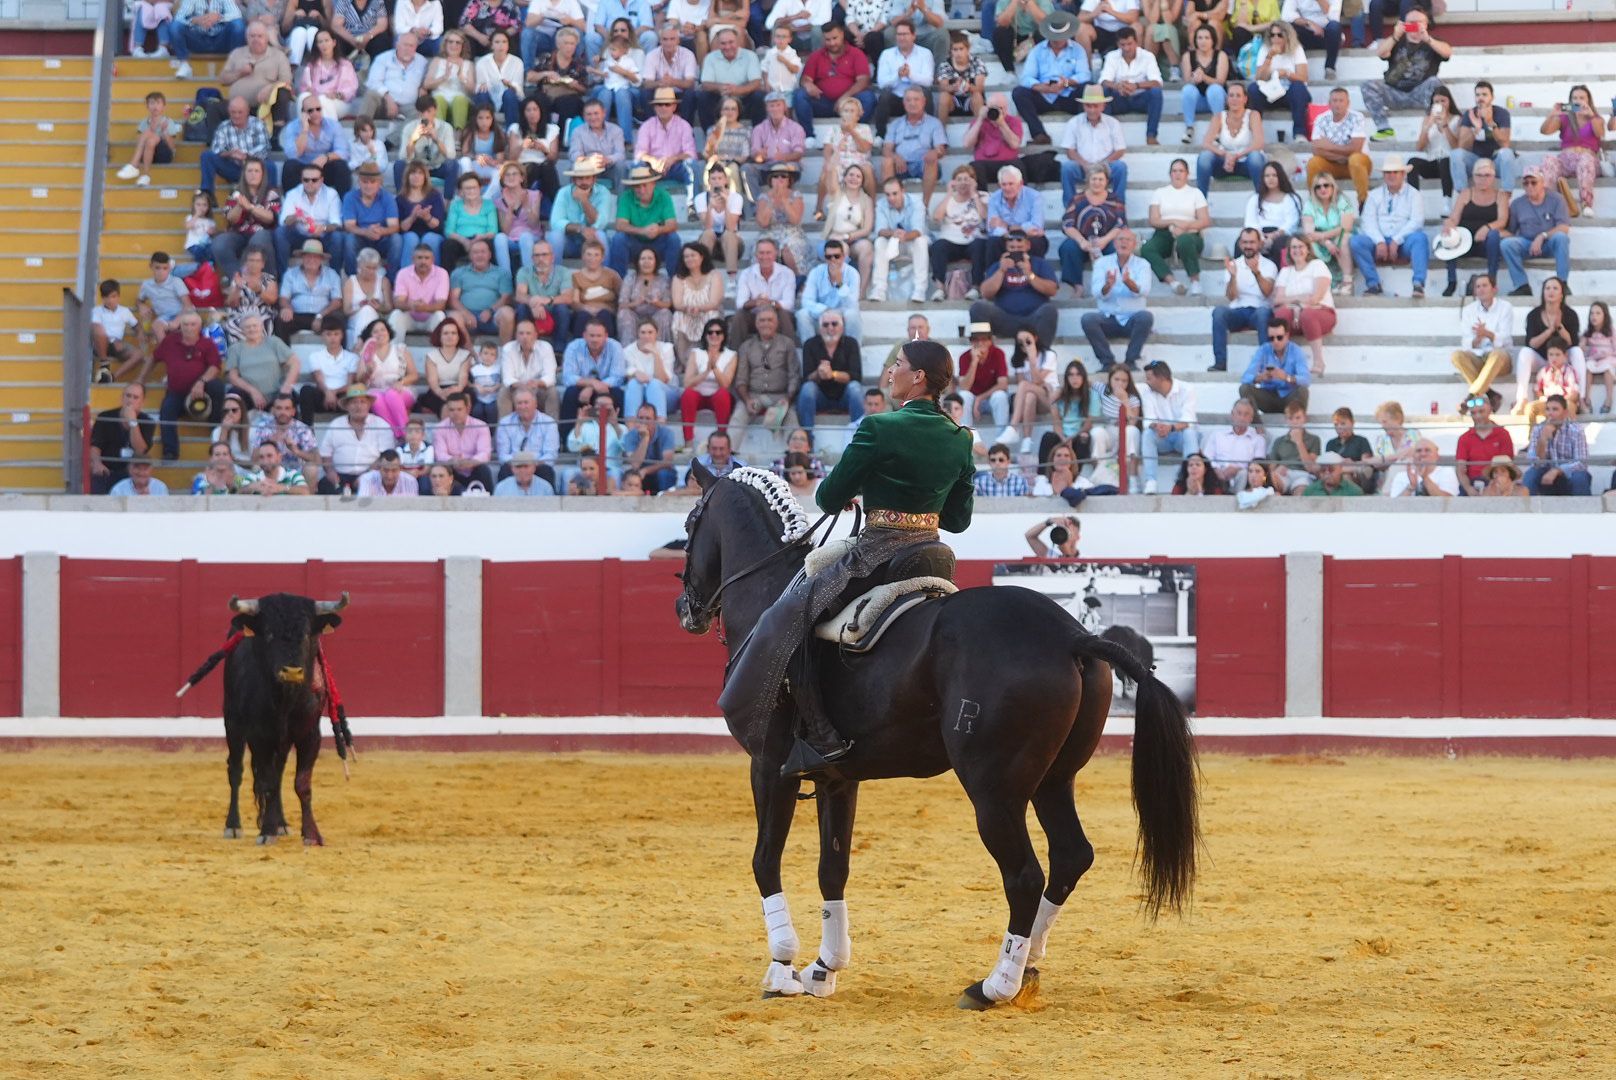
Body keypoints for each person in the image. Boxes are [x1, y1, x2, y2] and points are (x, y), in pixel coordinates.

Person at [719, 338, 974, 778]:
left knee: (792, 615)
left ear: (919, 378)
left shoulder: (880, 428)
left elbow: (828, 496)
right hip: (934, 556)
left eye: (899, 364)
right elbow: (958, 519)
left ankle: (822, 735)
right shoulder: (960, 438)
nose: (891, 371)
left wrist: (869, 491)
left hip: (879, 553)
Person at [1360, 11, 1449, 142]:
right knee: (1368, 85)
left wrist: (1427, 39)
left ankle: (1434, 126)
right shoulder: (1396, 40)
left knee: (1435, 83)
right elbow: (1381, 53)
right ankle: (1384, 128)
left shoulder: (1433, 41)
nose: (1414, 25)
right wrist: (1395, 35)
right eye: (1410, 23)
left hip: (1421, 93)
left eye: (1418, 22)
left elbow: (1447, 53)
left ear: (1426, 24)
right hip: (1394, 93)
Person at [970, 230, 1060, 355]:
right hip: (1005, 320)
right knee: (978, 308)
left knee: (1049, 310)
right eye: (1012, 247)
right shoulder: (998, 266)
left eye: (1019, 247)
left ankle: (1041, 357)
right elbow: (985, 293)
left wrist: (1029, 274)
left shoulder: (1040, 264)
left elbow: (1052, 290)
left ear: (1028, 246)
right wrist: (1001, 271)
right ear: (1007, 247)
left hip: (1033, 320)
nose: (1016, 251)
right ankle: (982, 354)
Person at [1350, 154, 1428, 299]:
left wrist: (1396, 240)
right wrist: (1379, 241)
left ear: (1403, 174)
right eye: (1388, 172)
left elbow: (1417, 221)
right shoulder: (1374, 195)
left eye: (1395, 172)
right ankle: (1373, 284)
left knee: (1420, 238)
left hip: (1404, 241)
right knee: (1356, 241)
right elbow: (1368, 221)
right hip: (1378, 240)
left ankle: (1418, 284)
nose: (1391, 175)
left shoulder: (1414, 195)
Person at [1080, 227, 1153, 370]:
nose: (1123, 243)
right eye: (1120, 239)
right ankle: (1107, 362)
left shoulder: (1143, 264)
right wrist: (1108, 285)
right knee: (1088, 319)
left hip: (1132, 319)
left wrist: (1129, 283)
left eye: (1128, 240)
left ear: (1134, 244)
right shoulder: (1102, 263)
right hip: (1109, 318)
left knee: (1146, 317)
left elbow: (1144, 290)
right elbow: (1096, 292)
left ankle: (1130, 362)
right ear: (1114, 243)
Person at [1010, 13, 1088, 144]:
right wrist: (1040, 87)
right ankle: (1039, 134)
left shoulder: (1077, 49)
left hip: (1068, 94)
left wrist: (1067, 82)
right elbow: (1026, 77)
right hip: (1043, 95)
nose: (1057, 41)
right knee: (1019, 92)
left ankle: (1082, 133)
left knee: (1088, 88)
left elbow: (1085, 75)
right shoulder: (1037, 50)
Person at [1436, 157, 1505, 297]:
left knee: (1494, 235)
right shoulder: (1466, 193)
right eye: (1479, 175)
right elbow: (1455, 217)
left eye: (1487, 175)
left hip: (1485, 243)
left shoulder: (1501, 196)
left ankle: (1492, 280)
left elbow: (1502, 220)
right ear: (1473, 177)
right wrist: (1449, 224)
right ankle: (1451, 281)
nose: (1483, 179)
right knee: (1449, 236)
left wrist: (1487, 227)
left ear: (1493, 177)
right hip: (1464, 241)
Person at [1512, 277, 1583, 415]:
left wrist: (1560, 328)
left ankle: (1582, 399)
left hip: (1563, 359)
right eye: (1547, 288)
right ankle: (1521, 399)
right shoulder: (1534, 315)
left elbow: (1572, 343)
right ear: (1543, 293)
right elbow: (1531, 343)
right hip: (1541, 359)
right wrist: (1549, 331)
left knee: (1577, 352)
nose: (1551, 291)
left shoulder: (1570, 314)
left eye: (1555, 288)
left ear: (1562, 294)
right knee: (1525, 353)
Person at [1209, 227, 1276, 372]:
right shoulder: (1234, 265)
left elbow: (1267, 292)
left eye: (1252, 242)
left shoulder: (1269, 265)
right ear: (1240, 244)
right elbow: (1231, 297)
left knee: (1264, 313)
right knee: (1218, 312)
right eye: (1245, 242)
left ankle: (1267, 364)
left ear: (1259, 244)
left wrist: (1256, 272)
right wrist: (1233, 276)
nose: (1248, 246)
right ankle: (1220, 363)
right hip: (1238, 311)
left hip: (1259, 311)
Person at [1140, 158, 1210, 295]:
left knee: (1185, 240)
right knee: (1147, 249)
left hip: (1190, 234)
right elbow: (1153, 220)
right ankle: (1173, 282)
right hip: (1164, 233)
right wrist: (1173, 221)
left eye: (1181, 171)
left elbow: (1205, 220)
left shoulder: (1196, 193)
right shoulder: (1159, 193)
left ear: (1187, 174)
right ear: (1170, 174)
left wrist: (1185, 226)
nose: (1177, 174)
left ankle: (1195, 281)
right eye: (1174, 171)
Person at [793, 23, 877, 137]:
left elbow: (863, 81)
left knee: (869, 98)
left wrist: (845, 97)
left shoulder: (856, 53)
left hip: (849, 104)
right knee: (800, 95)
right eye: (828, 39)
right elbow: (805, 78)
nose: (832, 43)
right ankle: (809, 136)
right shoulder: (816, 56)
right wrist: (808, 84)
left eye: (835, 38)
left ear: (842, 35)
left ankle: (854, 134)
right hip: (823, 102)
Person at [1500, 167, 1572, 297]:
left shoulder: (1557, 199)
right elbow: (1511, 230)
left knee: (1561, 238)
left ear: (1542, 182)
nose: (1529, 186)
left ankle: (1562, 283)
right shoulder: (1517, 204)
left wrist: (1542, 236)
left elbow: (1564, 227)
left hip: (1549, 243)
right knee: (1506, 244)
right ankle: (1522, 285)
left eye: (1533, 182)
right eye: (1525, 183)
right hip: (1527, 244)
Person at [1057, 167, 1125, 298]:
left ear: (1106, 181)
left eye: (1101, 179)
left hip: (1106, 241)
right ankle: (1077, 286)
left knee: (1118, 248)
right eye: (1094, 179)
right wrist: (1082, 241)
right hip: (1083, 242)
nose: (1097, 182)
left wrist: (1104, 240)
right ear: (1088, 180)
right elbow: (1067, 224)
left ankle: (1110, 286)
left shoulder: (1115, 200)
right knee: (1068, 248)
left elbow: (1121, 224)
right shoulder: (1077, 199)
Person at [1273, 235, 1335, 376]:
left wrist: (1293, 303)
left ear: (1308, 249)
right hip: (1294, 317)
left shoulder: (1317, 265)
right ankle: (1281, 364)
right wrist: (1300, 300)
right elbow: (1277, 300)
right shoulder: (1285, 271)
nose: (1297, 250)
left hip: (1321, 314)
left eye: (1301, 246)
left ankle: (1319, 361)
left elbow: (1315, 299)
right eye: (1293, 247)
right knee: (1280, 316)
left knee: (1307, 315)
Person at [1058, 85, 1128, 209]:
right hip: (1082, 167)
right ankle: (1070, 209)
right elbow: (1070, 151)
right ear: (1084, 106)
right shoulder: (1074, 122)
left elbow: (1120, 150)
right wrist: (1085, 164)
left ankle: (1118, 208)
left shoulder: (1112, 123)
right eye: (1088, 106)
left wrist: (1103, 165)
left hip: (1106, 166)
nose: (1092, 110)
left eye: (1095, 106)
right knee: (1067, 168)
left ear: (1103, 106)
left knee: (1120, 167)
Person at [732, 306, 799, 435]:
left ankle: (795, 454)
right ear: (756, 324)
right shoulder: (746, 346)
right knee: (738, 417)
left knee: (792, 421)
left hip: (780, 396)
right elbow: (741, 379)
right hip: (753, 396)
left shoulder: (787, 344)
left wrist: (788, 399)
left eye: (769, 320)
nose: (766, 324)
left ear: (776, 323)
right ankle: (728, 453)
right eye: (762, 320)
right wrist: (747, 400)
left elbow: (794, 376)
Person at [797, 309, 865, 433]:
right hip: (820, 397)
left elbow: (856, 376)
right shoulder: (810, 344)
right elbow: (806, 378)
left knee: (855, 388)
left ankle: (859, 438)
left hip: (844, 396)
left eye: (834, 324)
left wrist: (833, 374)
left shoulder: (851, 343)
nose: (830, 328)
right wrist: (818, 373)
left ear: (842, 326)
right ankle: (807, 439)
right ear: (819, 328)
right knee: (807, 388)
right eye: (825, 324)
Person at [609, 165, 683, 278]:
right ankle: (618, 282)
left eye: (645, 185)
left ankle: (676, 280)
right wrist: (642, 231)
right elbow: (620, 225)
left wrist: (659, 230)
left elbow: (672, 224)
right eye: (637, 186)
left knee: (673, 239)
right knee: (618, 239)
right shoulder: (626, 197)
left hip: (657, 241)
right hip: (635, 242)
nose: (641, 190)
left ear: (653, 184)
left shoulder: (664, 196)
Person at [559, 317, 627, 440]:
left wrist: (592, 387)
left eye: (599, 336)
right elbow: (568, 377)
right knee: (570, 393)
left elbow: (618, 377)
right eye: (591, 335)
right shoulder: (574, 347)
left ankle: (620, 438)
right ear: (584, 335)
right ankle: (566, 439)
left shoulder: (615, 346)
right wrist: (592, 383)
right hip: (582, 390)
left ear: (606, 336)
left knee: (619, 393)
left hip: (606, 389)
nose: (595, 339)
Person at [213, 157, 280, 280]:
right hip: (238, 234)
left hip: (262, 234)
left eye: (256, 171)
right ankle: (240, 280)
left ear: (262, 174)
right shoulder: (236, 193)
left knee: (259, 239)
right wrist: (239, 205)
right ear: (244, 174)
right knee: (219, 243)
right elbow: (231, 219)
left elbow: (271, 218)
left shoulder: (271, 192)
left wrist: (250, 207)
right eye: (249, 171)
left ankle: (268, 282)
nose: (253, 174)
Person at [928, 165, 990, 299]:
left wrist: (975, 196)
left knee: (980, 245)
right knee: (938, 246)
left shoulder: (983, 197)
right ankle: (940, 288)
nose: (963, 182)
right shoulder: (948, 200)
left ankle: (975, 288)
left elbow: (985, 216)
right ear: (954, 182)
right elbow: (937, 218)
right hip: (951, 241)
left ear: (973, 181)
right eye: (959, 179)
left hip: (974, 240)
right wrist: (949, 194)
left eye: (966, 179)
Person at [277, 162, 348, 276]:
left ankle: (335, 276)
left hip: (323, 237)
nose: (310, 183)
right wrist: (296, 217)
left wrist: (323, 228)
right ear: (301, 180)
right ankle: (282, 276)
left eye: (314, 180)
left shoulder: (331, 194)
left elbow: (337, 224)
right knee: (280, 233)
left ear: (321, 180)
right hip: (300, 236)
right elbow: (283, 221)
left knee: (338, 237)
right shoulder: (293, 194)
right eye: (306, 180)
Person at [1138, 359, 1197, 494]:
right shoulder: (1147, 392)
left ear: (1162, 378)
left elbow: (1189, 420)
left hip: (1181, 436)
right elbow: (1148, 420)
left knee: (1190, 432)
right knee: (1147, 434)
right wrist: (1157, 426)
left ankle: (1189, 480)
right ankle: (1151, 481)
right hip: (1161, 436)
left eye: (1149, 378)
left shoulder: (1187, 389)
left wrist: (1170, 428)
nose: (1146, 382)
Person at [1450, 273, 1514, 397]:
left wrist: (1488, 334)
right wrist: (1477, 339)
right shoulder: (1469, 310)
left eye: (1484, 285)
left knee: (1498, 354)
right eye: (1478, 287)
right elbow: (1466, 342)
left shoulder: (1505, 307)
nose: (1481, 289)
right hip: (1478, 356)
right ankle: (1489, 394)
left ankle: (1472, 395)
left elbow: (1505, 338)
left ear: (1494, 289)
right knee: (1456, 356)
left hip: (1500, 360)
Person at [1195, 81, 1264, 195]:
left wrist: (1237, 156)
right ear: (1227, 99)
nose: (1234, 99)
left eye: (1238, 95)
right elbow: (1206, 143)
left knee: (1256, 157)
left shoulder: (1253, 115)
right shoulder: (1218, 117)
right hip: (1224, 163)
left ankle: (1262, 202)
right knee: (1204, 157)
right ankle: (1200, 203)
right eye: (1231, 95)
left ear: (1245, 99)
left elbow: (1259, 143)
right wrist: (1225, 155)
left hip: (1246, 163)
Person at [1304, 86, 1370, 206]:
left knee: (1355, 159)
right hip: (1333, 165)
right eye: (1334, 101)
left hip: (1357, 166)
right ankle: (1313, 204)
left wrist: (1329, 146)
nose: (1338, 104)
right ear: (1329, 103)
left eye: (1341, 100)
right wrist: (1340, 156)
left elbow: (1356, 148)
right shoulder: (1321, 119)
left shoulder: (1357, 117)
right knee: (1313, 163)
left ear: (1348, 103)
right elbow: (1316, 150)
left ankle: (1363, 202)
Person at [881, 88, 947, 206]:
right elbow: (886, 149)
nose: (912, 103)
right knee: (887, 161)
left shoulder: (934, 123)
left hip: (923, 164)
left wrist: (935, 152)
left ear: (924, 102)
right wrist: (895, 157)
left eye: (916, 99)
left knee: (931, 159)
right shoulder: (895, 124)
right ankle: (890, 204)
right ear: (904, 103)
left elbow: (941, 148)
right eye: (908, 100)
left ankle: (924, 205)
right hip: (901, 166)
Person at [868, 176, 929, 304]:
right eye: (887, 194)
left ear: (903, 190)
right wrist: (894, 233)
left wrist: (905, 236)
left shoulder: (916, 202)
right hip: (893, 243)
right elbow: (880, 230)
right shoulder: (881, 204)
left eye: (895, 193)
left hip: (912, 243)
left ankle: (920, 289)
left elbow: (918, 230)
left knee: (921, 241)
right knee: (879, 242)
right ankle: (879, 289)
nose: (891, 198)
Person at [1247, 21, 1309, 143]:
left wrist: (1287, 74)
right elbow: (1259, 78)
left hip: (1290, 94)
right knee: (1253, 89)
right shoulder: (1265, 49)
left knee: (1298, 87)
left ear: (1287, 36)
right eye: (1272, 35)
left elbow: (1303, 77)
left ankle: (1299, 134)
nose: (1275, 38)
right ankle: (1255, 134)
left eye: (1279, 35)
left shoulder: (1296, 49)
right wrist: (1269, 57)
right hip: (1270, 92)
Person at [89, 383, 157, 494]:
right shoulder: (105, 417)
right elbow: (95, 445)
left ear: (142, 402)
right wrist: (97, 463)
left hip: (132, 473)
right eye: (128, 396)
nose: (130, 400)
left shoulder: (147, 421)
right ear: (122, 397)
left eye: (135, 397)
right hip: (107, 469)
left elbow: (140, 450)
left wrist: (133, 422)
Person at [280, 96, 352, 198]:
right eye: (310, 111)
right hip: (303, 168)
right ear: (303, 113)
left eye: (318, 109)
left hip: (325, 167)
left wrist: (326, 157)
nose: (315, 113)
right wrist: (305, 129)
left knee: (341, 166)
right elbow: (293, 154)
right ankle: (290, 205)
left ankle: (344, 205)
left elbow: (343, 152)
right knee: (289, 166)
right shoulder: (293, 127)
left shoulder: (333, 125)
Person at [1100, 27, 1163, 145]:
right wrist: (1118, 86)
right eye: (1122, 45)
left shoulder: (1148, 56)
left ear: (1136, 42)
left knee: (1156, 92)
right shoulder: (1112, 56)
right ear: (1118, 44)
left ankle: (1151, 135)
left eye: (1129, 44)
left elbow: (1157, 82)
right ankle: (1105, 135)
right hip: (1120, 98)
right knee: (1104, 91)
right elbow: (1104, 81)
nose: (1126, 48)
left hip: (1140, 98)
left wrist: (1136, 86)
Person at [1453, 80, 1517, 191]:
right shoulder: (1469, 115)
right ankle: (1462, 196)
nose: (1480, 98)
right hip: (1475, 161)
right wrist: (1475, 129)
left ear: (1492, 97)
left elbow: (1505, 143)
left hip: (1495, 161)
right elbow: (1462, 146)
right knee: (1456, 154)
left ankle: (1507, 195)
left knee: (1507, 153)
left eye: (1484, 94)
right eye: (1477, 95)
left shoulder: (1502, 113)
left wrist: (1490, 122)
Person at [200, 96, 272, 195]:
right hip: (233, 168)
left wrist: (246, 156)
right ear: (229, 112)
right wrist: (230, 154)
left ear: (247, 111)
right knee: (207, 156)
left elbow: (265, 148)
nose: (236, 116)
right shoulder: (223, 126)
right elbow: (216, 149)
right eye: (233, 112)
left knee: (270, 166)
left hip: (254, 168)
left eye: (240, 112)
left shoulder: (258, 124)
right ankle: (207, 194)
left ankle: (270, 198)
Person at [547, 158, 616, 262]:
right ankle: (555, 275)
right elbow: (556, 223)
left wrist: (584, 200)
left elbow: (601, 222)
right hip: (569, 242)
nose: (584, 182)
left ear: (594, 179)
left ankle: (604, 276)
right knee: (555, 236)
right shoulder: (564, 192)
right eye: (580, 178)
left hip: (592, 241)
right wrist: (581, 228)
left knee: (600, 235)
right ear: (574, 180)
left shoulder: (603, 192)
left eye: (587, 178)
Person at [449, 237, 516, 343]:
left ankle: (506, 354)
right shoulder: (459, 273)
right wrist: (466, 313)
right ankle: (468, 353)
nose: (479, 255)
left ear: (489, 255)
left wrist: (491, 310)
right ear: (470, 256)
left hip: (493, 316)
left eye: (483, 252)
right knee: (454, 317)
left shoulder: (502, 273)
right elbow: (454, 299)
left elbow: (506, 298)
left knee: (507, 313)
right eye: (475, 252)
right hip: (468, 315)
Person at [731, 237, 797, 344]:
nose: (765, 256)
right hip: (755, 316)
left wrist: (770, 303)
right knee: (739, 315)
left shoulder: (787, 273)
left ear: (775, 253)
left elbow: (789, 304)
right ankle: (734, 355)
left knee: (784, 314)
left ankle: (790, 357)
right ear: (756, 255)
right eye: (761, 253)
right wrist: (756, 302)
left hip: (778, 317)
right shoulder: (747, 274)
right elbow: (740, 303)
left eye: (768, 253)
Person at [276, 238, 343, 342]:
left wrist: (320, 316)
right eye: (308, 256)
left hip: (323, 315)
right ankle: (285, 357)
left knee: (339, 324)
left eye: (315, 257)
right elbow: (283, 298)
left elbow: (337, 301)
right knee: (280, 321)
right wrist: (287, 308)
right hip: (297, 314)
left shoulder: (332, 274)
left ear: (321, 259)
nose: (311, 260)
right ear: (302, 257)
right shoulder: (290, 273)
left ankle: (339, 357)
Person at [1239, 314, 1309, 413]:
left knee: (1302, 391)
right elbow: (1245, 378)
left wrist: (1286, 377)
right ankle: (1258, 427)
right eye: (1271, 338)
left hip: (1289, 397)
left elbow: (1306, 380)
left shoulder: (1296, 351)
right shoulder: (1263, 350)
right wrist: (1260, 378)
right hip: (1267, 397)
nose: (1275, 341)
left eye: (1279, 337)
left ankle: (1296, 427)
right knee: (1244, 389)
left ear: (1287, 335)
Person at [1300, 171, 1356, 296]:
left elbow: (1346, 227)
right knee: (1308, 242)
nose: (1323, 189)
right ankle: (1320, 282)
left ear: (1333, 186)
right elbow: (1309, 232)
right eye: (1318, 187)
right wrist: (1325, 242)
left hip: (1340, 234)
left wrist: (1323, 236)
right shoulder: (1310, 204)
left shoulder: (1343, 200)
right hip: (1320, 240)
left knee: (1343, 239)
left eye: (1326, 185)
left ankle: (1347, 281)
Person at [695, 27, 764, 128]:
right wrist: (721, 87)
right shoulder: (711, 57)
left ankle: (758, 133)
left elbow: (756, 82)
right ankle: (709, 135)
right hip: (720, 98)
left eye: (731, 42)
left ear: (738, 42)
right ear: (718, 44)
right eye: (723, 43)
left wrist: (738, 90)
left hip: (744, 97)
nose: (727, 47)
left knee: (758, 96)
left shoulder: (750, 56)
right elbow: (705, 83)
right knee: (703, 97)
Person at [164, 0, 248, 81]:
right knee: (175, 26)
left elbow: (237, 15)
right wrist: (195, 20)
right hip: (198, 41)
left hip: (221, 40)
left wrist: (218, 17)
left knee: (238, 25)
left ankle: (234, 64)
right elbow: (179, 17)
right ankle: (184, 64)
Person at [798, 238, 864, 342]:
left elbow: (852, 304)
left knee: (852, 314)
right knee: (802, 314)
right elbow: (806, 301)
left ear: (843, 257)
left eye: (836, 256)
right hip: (822, 312)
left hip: (843, 313)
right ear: (824, 258)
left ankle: (854, 352)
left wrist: (840, 284)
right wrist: (824, 310)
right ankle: (809, 352)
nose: (833, 260)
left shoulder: (852, 273)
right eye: (829, 257)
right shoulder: (816, 272)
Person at [251, 390, 324, 481]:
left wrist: (296, 451)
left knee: (311, 468)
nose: (283, 412)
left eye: (287, 408)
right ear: (273, 410)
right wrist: (269, 443)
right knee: (256, 467)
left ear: (293, 411)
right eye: (279, 408)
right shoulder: (263, 427)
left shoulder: (302, 429)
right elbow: (253, 459)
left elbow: (317, 459)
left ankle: (305, 494)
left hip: (297, 473)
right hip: (269, 471)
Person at [297, 319, 358, 424]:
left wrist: (333, 393)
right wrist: (327, 393)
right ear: (322, 336)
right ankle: (308, 430)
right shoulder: (315, 356)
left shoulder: (352, 357)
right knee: (306, 390)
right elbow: (319, 380)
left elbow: (349, 384)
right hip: (322, 396)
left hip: (343, 398)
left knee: (356, 395)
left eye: (336, 334)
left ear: (342, 335)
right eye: (328, 334)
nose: (333, 338)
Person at [357, 33, 429, 122]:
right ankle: (360, 130)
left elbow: (426, 83)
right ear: (397, 45)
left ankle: (395, 136)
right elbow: (373, 82)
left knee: (422, 116)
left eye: (411, 46)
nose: (408, 49)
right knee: (371, 95)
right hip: (384, 103)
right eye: (405, 45)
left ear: (416, 47)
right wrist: (388, 99)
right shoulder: (383, 58)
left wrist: (423, 88)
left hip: (409, 105)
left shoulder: (422, 62)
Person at [117, 91, 182, 189]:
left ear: (163, 106)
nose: (155, 106)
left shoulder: (168, 122)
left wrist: (165, 133)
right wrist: (151, 132)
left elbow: (172, 147)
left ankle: (134, 165)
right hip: (147, 154)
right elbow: (140, 142)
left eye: (158, 103)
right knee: (150, 139)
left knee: (150, 135)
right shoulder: (144, 122)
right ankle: (145, 175)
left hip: (164, 155)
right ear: (147, 106)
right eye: (152, 103)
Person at [495, 387, 560, 485]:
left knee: (546, 471)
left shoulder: (549, 423)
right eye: (519, 403)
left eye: (526, 402)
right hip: (514, 465)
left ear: (535, 404)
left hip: (538, 465)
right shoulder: (505, 423)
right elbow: (503, 455)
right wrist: (519, 465)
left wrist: (532, 464)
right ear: (515, 406)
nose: (523, 406)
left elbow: (550, 455)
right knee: (504, 470)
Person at [1453, 391, 1513, 495]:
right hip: (1471, 483)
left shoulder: (1503, 434)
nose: (1478, 416)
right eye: (1473, 413)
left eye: (1481, 411)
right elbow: (1460, 469)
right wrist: (1469, 489)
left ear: (1490, 410)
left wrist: (1492, 487)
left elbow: (1506, 467)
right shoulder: (1464, 438)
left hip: (1496, 482)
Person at [1407, 83, 1459, 203]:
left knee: (1445, 160)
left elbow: (1457, 147)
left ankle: (1447, 202)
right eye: (1436, 101)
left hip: (1450, 164)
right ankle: (1414, 201)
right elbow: (1419, 147)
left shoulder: (1457, 119)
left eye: (1443, 101)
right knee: (1412, 163)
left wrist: (1445, 125)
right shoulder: (1427, 120)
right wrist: (1427, 126)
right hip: (1433, 163)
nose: (1440, 104)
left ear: (1449, 101)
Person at [955, 322, 1010, 436]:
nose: (980, 343)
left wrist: (980, 398)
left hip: (990, 399)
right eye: (976, 339)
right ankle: (967, 438)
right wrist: (974, 362)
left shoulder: (998, 353)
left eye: (984, 339)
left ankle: (1001, 440)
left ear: (990, 340)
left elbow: (1003, 384)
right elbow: (964, 387)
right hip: (972, 399)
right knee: (964, 396)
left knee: (1000, 396)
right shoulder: (964, 357)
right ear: (971, 341)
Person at [1178, 23, 1227, 146]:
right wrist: (1195, 79)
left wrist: (1204, 77)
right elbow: (1186, 80)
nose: (1203, 41)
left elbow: (1220, 81)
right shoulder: (1188, 56)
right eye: (1199, 38)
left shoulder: (1221, 55)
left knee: (1214, 89)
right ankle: (1189, 128)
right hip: (1198, 101)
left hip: (1217, 100)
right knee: (1188, 89)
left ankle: (1218, 130)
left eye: (1207, 38)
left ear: (1213, 40)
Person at [1245, 159, 1301, 265]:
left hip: (1281, 234)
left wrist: (1273, 236)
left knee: (1280, 243)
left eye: (1274, 175)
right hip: (1258, 233)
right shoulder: (1255, 199)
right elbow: (1250, 222)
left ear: (1280, 177)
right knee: (1243, 243)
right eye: (1267, 176)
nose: (1271, 178)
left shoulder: (1291, 198)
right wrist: (1260, 238)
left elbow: (1291, 222)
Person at [390, 242, 450, 340]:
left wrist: (425, 308)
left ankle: (437, 354)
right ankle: (394, 352)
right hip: (409, 316)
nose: (423, 261)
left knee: (440, 315)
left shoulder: (442, 273)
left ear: (433, 260)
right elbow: (398, 302)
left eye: (427, 258)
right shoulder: (403, 273)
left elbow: (441, 304)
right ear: (413, 259)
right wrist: (412, 306)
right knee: (396, 314)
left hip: (430, 317)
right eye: (419, 258)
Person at [1203, 398, 1266, 490]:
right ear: (1232, 414)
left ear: (1251, 418)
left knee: (1244, 474)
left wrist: (1237, 469)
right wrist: (1217, 470)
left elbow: (1258, 466)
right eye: (1239, 413)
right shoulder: (1217, 435)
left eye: (1246, 414)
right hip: (1216, 475)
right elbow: (1207, 459)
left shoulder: (1258, 440)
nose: (1242, 418)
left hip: (1242, 479)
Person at [939, 31, 990, 127]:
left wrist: (969, 87)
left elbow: (980, 87)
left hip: (971, 100)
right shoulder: (945, 64)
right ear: (951, 51)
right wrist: (953, 87)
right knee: (944, 96)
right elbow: (943, 86)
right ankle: (941, 134)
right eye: (955, 49)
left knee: (977, 95)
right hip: (953, 101)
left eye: (961, 49)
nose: (958, 53)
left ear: (968, 49)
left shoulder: (977, 62)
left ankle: (980, 133)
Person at [1324, 405, 1375, 493]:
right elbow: (1327, 466)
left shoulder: (1361, 441)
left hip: (1357, 477)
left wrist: (1352, 464)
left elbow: (1366, 463)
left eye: (1343, 423)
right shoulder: (1331, 444)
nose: (1339, 427)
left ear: (1352, 423)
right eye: (1336, 424)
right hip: (1336, 476)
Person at [1384, 438, 1457, 497]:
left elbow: (1447, 500)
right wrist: (1410, 487)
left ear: (1437, 455)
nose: (1423, 454)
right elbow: (1395, 506)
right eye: (1418, 451)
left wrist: (1425, 478)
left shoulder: (1447, 472)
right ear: (1413, 456)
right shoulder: (1401, 476)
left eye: (1427, 450)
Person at [241, 440, 311, 495]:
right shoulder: (252, 477)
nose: (265, 461)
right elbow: (239, 492)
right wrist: (253, 487)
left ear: (279, 457)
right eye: (261, 457)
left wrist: (282, 488)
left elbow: (306, 491)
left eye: (269, 456)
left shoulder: (293, 475)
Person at [1583, 301, 1615, 416]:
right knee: (1588, 368)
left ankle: (1609, 399)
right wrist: (1585, 347)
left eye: (1598, 313)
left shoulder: (1611, 331)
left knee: (1607, 369)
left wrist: (1607, 355)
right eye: (1592, 313)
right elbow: (1582, 348)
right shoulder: (1588, 333)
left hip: (1608, 358)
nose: (1594, 316)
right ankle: (1587, 399)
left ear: (1604, 316)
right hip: (1594, 359)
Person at [354, 448, 420, 497]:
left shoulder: (410, 481)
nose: (389, 476)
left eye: (394, 470)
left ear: (400, 469)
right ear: (379, 468)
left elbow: (412, 510)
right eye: (385, 470)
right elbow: (363, 509)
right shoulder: (367, 479)